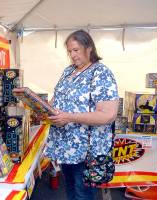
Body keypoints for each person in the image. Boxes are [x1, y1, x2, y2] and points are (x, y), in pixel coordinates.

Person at [45, 30, 119, 200]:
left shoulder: (101, 73)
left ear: (89, 48)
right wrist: (41, 107)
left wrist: (68, 117)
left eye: (76, 50)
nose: (72, 55)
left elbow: (108, 115)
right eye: (69, 51)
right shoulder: (68, 71)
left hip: (86, 150)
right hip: (65, 147)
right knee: (70, 190)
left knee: (82, 194)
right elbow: (56, 100)